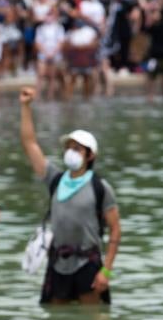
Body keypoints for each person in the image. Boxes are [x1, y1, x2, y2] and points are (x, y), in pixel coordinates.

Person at [19, 86, 121, 304]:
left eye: (77, 148)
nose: (71, 152)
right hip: (57, 263)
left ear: (90, 155)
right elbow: (30, 144)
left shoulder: (100, 188)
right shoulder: (55, 179)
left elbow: (115, 230)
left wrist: (107, 272)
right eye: (69, 147)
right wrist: (26, 107)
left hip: (89, 265)